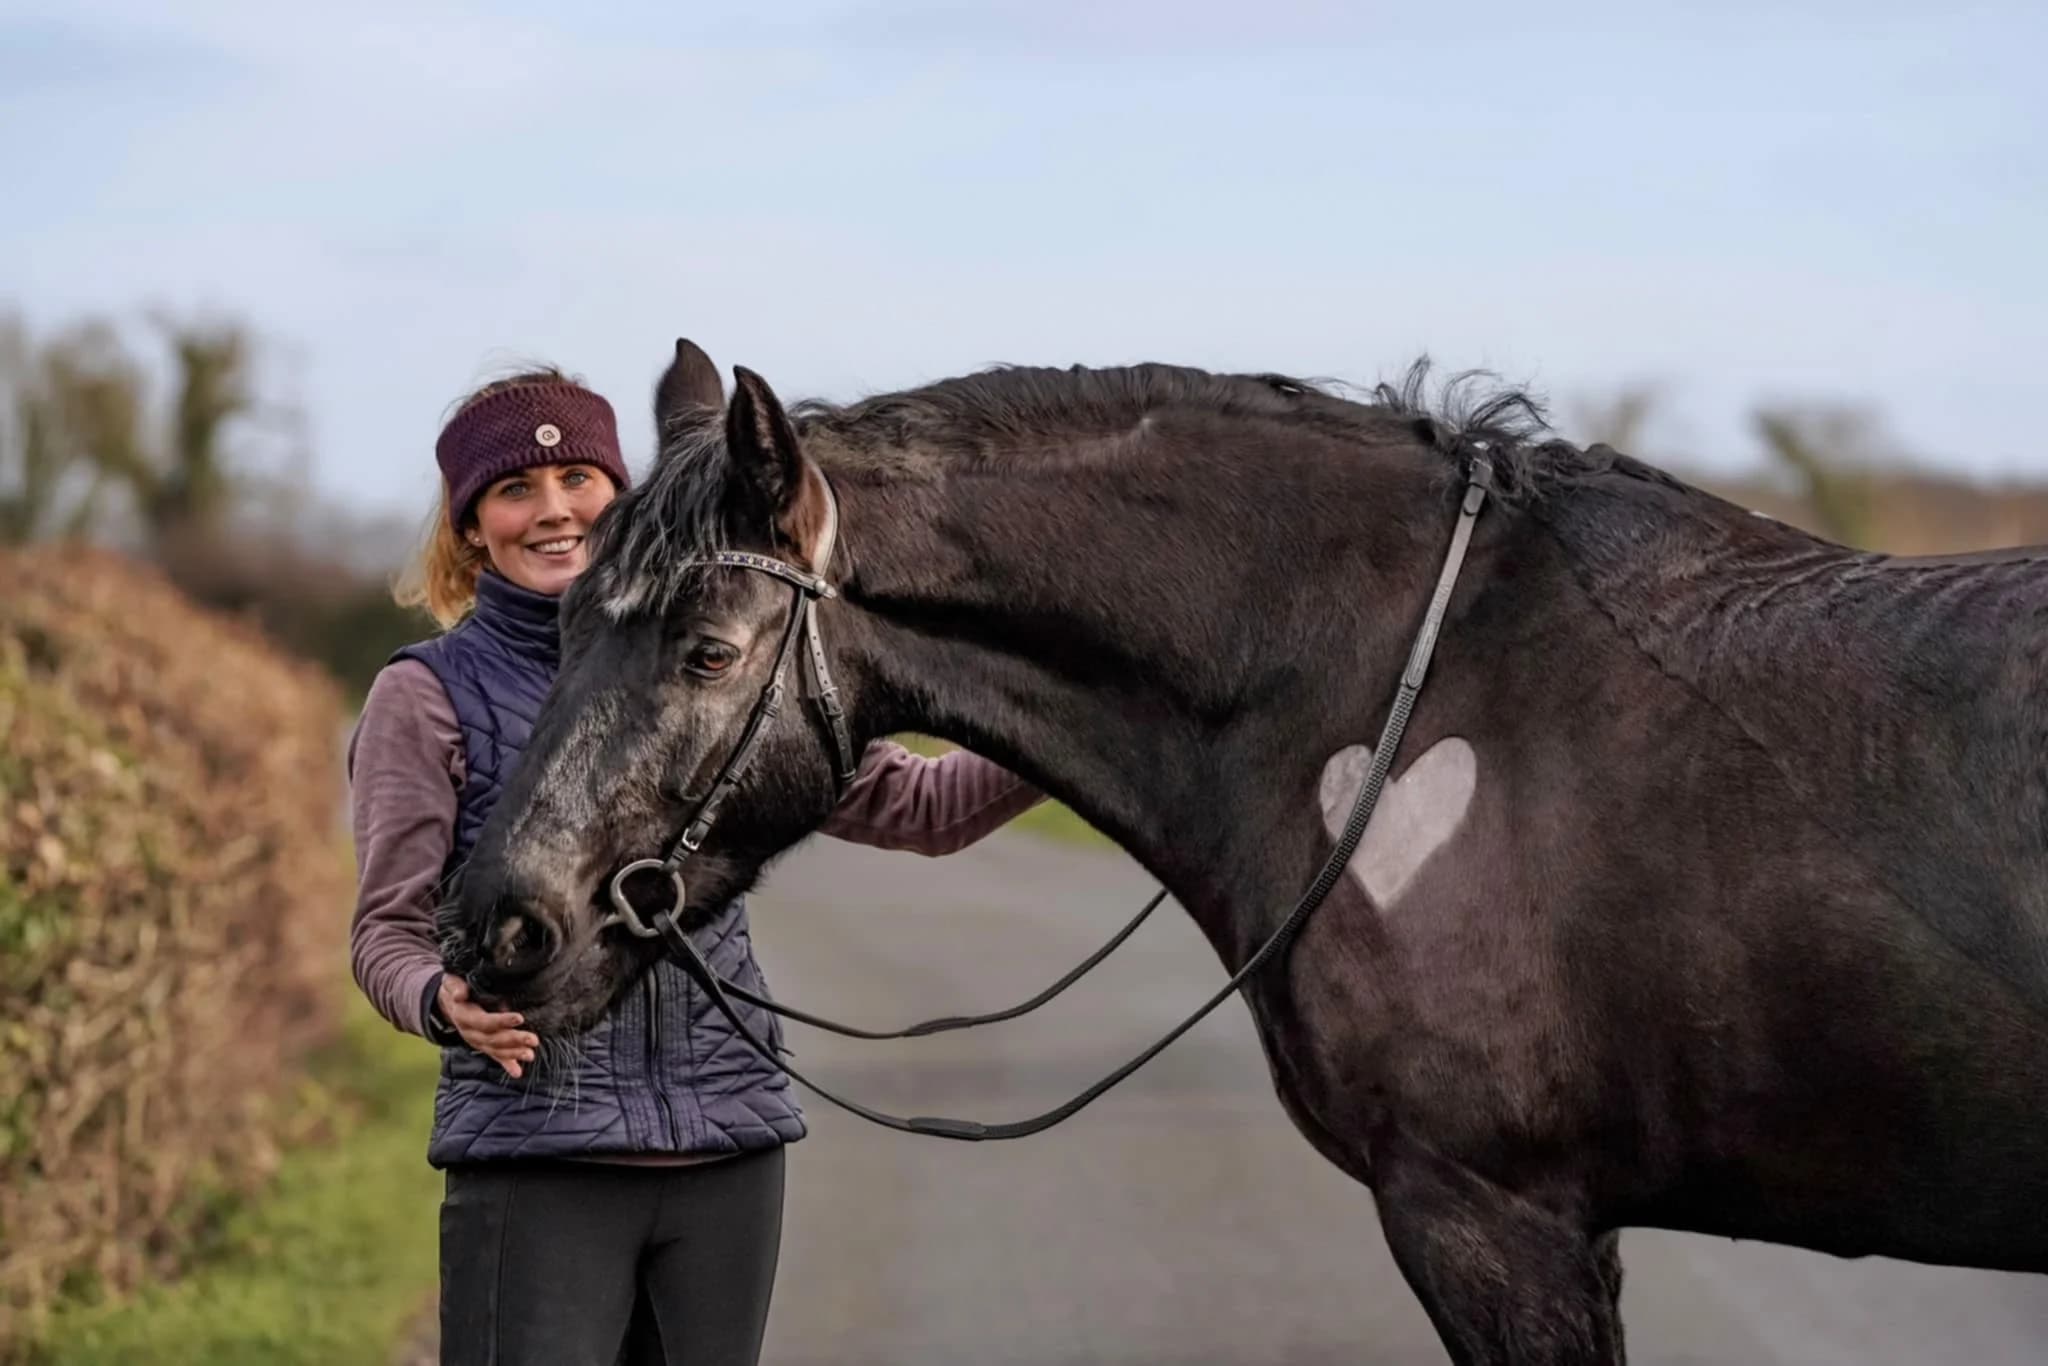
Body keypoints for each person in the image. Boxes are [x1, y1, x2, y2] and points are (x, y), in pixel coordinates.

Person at [347, 367, 1042, 1366]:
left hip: (730, 1149)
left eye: (578, 479)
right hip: (539, 1152)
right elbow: (384, 931)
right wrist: (435, 999)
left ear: (620, 499)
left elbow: (924, 810)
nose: (553, 510)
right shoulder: (424, 697)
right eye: (514, 490)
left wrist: (1072, 727)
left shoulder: (715, 660)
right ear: (468, 527)